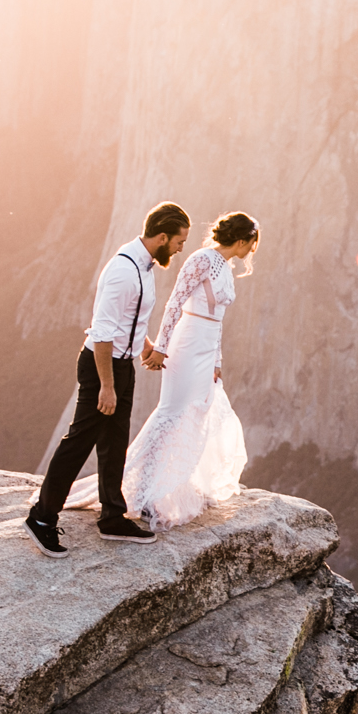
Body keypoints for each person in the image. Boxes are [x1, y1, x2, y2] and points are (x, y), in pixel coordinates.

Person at [24, 201, 190, 555]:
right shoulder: (123, 270)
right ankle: (41, 517)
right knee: (79, 442)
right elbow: (101, 333)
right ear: (162, 236)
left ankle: (112, 515)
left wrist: (144, 346)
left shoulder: (146, 266)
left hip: (123, 363)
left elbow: (131, 317)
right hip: (102, 365)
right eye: (178, 241)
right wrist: (108, 387)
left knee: (115, 443)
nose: (180, 248)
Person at [123, 211, 259, 530]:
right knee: (172, 412)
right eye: (251, 244)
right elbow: (175, 302)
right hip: (186, 343)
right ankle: (144, 493)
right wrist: (161, 347)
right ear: (240, 241)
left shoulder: (225, 267)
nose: (252, 250)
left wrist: (217, 362)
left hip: (206, 346)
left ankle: (177, 485)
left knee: (199, 414)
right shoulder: (201, 259)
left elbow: (218, 320)